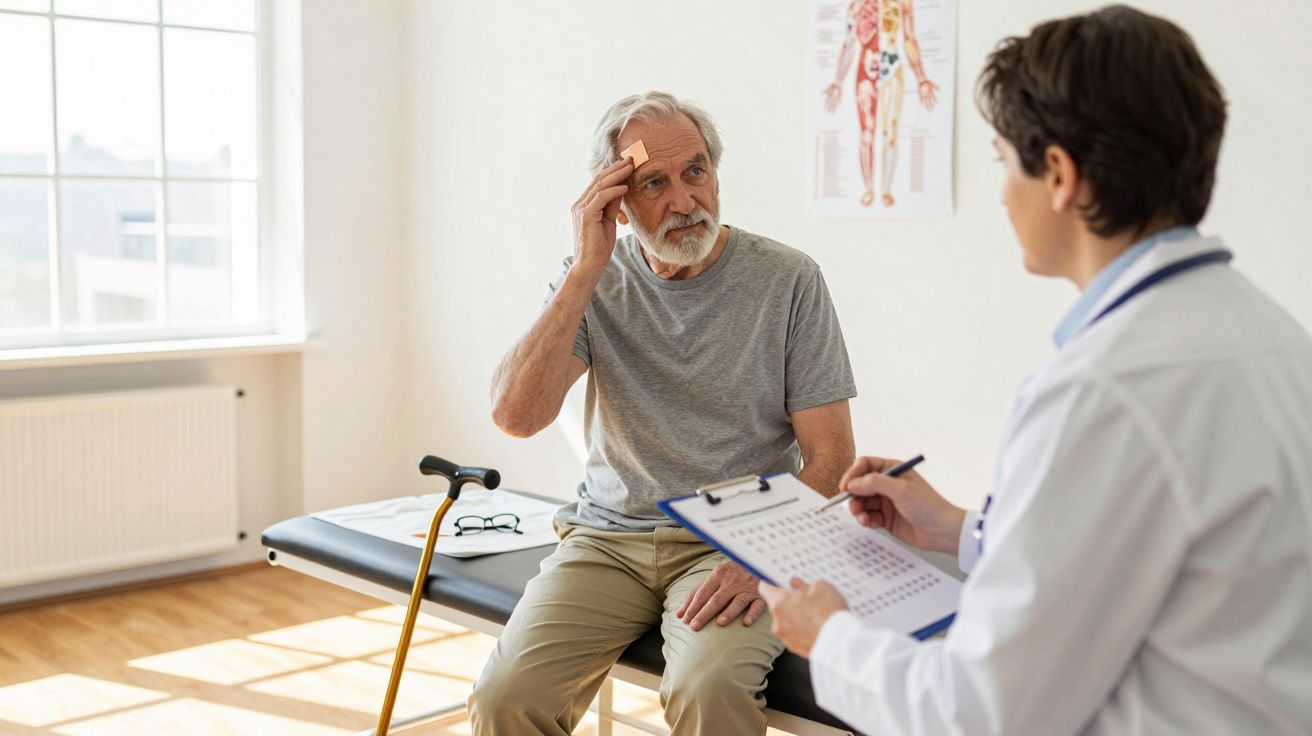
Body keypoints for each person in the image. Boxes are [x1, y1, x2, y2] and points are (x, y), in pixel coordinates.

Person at [761, 6, 1312, 735]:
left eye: (1002, 161)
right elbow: (1166, 557)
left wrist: (830, 636)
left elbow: (981, 714)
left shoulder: (1101, 390)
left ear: (1058, 175)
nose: (1000, 194)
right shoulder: (1274, 337)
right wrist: (962, 530)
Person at [472, 91, 858, 735]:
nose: (685, 200)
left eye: (696, 171)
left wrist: (762, 556)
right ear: (617, 203)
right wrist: (585, 270)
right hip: (608, 539)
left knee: (708, 688)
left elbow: (832, 460)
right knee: (504, 697)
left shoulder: (789, 279)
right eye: (654, 182)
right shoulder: (592, 279)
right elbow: (516, 416)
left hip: (736, 539)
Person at [823, 0, 937, 207]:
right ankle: (869, 188)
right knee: (866, 133)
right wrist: (838, 80)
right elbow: (848, 42)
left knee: (889, 133)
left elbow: (909, 38)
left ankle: (885, 188)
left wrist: (921, 77)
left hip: (891, 69)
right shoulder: (857, 4)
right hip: (866, 68)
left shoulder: (903, 3)